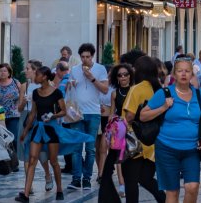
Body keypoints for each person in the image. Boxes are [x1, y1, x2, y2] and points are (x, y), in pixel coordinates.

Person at [140, 58, 201, 203]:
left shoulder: (199, 94)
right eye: (180, 71)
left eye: (187, 71)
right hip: (167, 149)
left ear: (192, 74)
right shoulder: (164, 93)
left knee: (192, 187)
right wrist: (163, 108)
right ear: (174, 74)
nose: (183, 74)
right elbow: (143, 115)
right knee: (172, 192)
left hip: (192, 149)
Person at [17, 66, 92, 203]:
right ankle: (26, 194)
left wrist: (53, 116)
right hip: (38, 128)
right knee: (32, 159)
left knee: (54, 161)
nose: (35, 76)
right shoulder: (35, 93)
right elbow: (33, 113)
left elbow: (64, 111)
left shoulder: (56, 92)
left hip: (51, 128)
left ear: (44, 76)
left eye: (38, 74)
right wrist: (26, 131)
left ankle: (59, 189)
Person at [120, 57, 164, 203]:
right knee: (146, 179)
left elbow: (130, 116)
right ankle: (165, 199)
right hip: (152, 142)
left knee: (131, 181)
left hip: (134, 142)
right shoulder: (158, 89)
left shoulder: (136, 89)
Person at [66, 43, 109, 190]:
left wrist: (92, 78)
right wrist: (70, 84)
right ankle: (76, 179)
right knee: (77, 148)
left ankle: (87, 179)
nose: (85, 60)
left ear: (92, 56)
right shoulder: (75, 70)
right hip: (77, 113)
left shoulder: (100, 69)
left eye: (88, 57)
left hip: (94, 112)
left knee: (90, 149)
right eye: (82, 57)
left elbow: (104, 90)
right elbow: (70, 90)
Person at [97, 63, 134, 202]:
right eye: (120, 75)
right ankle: (121, 183)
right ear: (116, 78)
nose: (123, 77)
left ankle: (130, 181)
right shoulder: (114, 94)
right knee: (120, 156)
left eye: (125, 74)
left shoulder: (134, 91)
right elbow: (112, 113)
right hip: (119, 128)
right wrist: (109, 129)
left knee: (131, 156)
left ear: (130, 75)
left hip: (133, 127)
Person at [23, 60, 55, 191]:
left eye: (28, 68)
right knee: (27, 154)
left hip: (42, 121)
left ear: (35, 70)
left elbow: (54, 106)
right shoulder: (25, 86)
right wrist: (23, 101)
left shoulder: (47, 85)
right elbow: (19, 107)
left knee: (41, 154)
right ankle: (28, 187)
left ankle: (48, 175)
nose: (25, 71)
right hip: (27, 119)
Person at [0, 63, 24, 174]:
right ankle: (5, 163)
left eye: (5, 71)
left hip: (13, 114)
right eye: (0, 71)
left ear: (9, 72)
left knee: (13, 138)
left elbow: (22, 96)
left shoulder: (16, 83)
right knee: (1, 140)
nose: (2, 73)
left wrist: (20, 106)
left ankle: (14, 162)